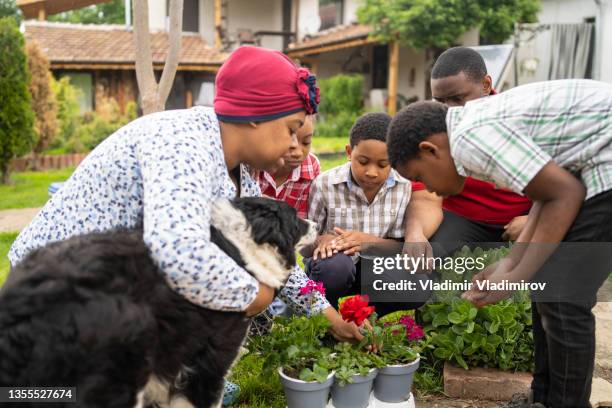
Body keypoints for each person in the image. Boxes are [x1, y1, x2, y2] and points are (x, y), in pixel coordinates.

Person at [7, 46, 364, 343]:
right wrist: (252, 295)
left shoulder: (238, 171)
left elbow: (270, 253)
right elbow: (176, 250)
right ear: (257, 115)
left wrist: (330, 317)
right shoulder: (182, 141)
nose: (292, 145)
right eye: (290, 128)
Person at [386, 79, 612, 408]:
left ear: (430, 150)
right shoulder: (473, 127)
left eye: (422, 177)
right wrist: (510, 265)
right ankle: (544, 398)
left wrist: (514, 277)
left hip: (604, 171)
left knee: (564, 296)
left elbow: (565, 194)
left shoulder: (470, 139)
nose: (432, 191)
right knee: (549, 284)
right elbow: (545, 197)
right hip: (592, 167)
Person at [404, 47, 531, 264]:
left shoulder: (521, 119)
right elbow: (426, 196)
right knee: (428, 266)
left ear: (486, 85)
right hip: (463, 219)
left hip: (521, 218)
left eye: (457, 99)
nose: (449, 110)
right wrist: (415, 233)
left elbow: (560, 186)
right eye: (440, 101)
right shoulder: (431, 127)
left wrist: (533, 220)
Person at [304, 112, 424, 315]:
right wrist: (319, 240)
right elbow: (304, 245)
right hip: (332, 268)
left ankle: (361, 314)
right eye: (363, 161)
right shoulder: (325, 184)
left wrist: (368, 242)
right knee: (335, 269)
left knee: (417, 287)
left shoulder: (402, 187)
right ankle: (328, 318)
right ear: (349, 152)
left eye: (382, 164)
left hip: (373, 270)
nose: (371, 172)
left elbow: (399, 248)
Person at [258, 115, 320, 218]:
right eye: (290, 141)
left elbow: (302, 220)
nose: (298, 153)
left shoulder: (311, 167)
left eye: (306, 142)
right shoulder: (253, 164)